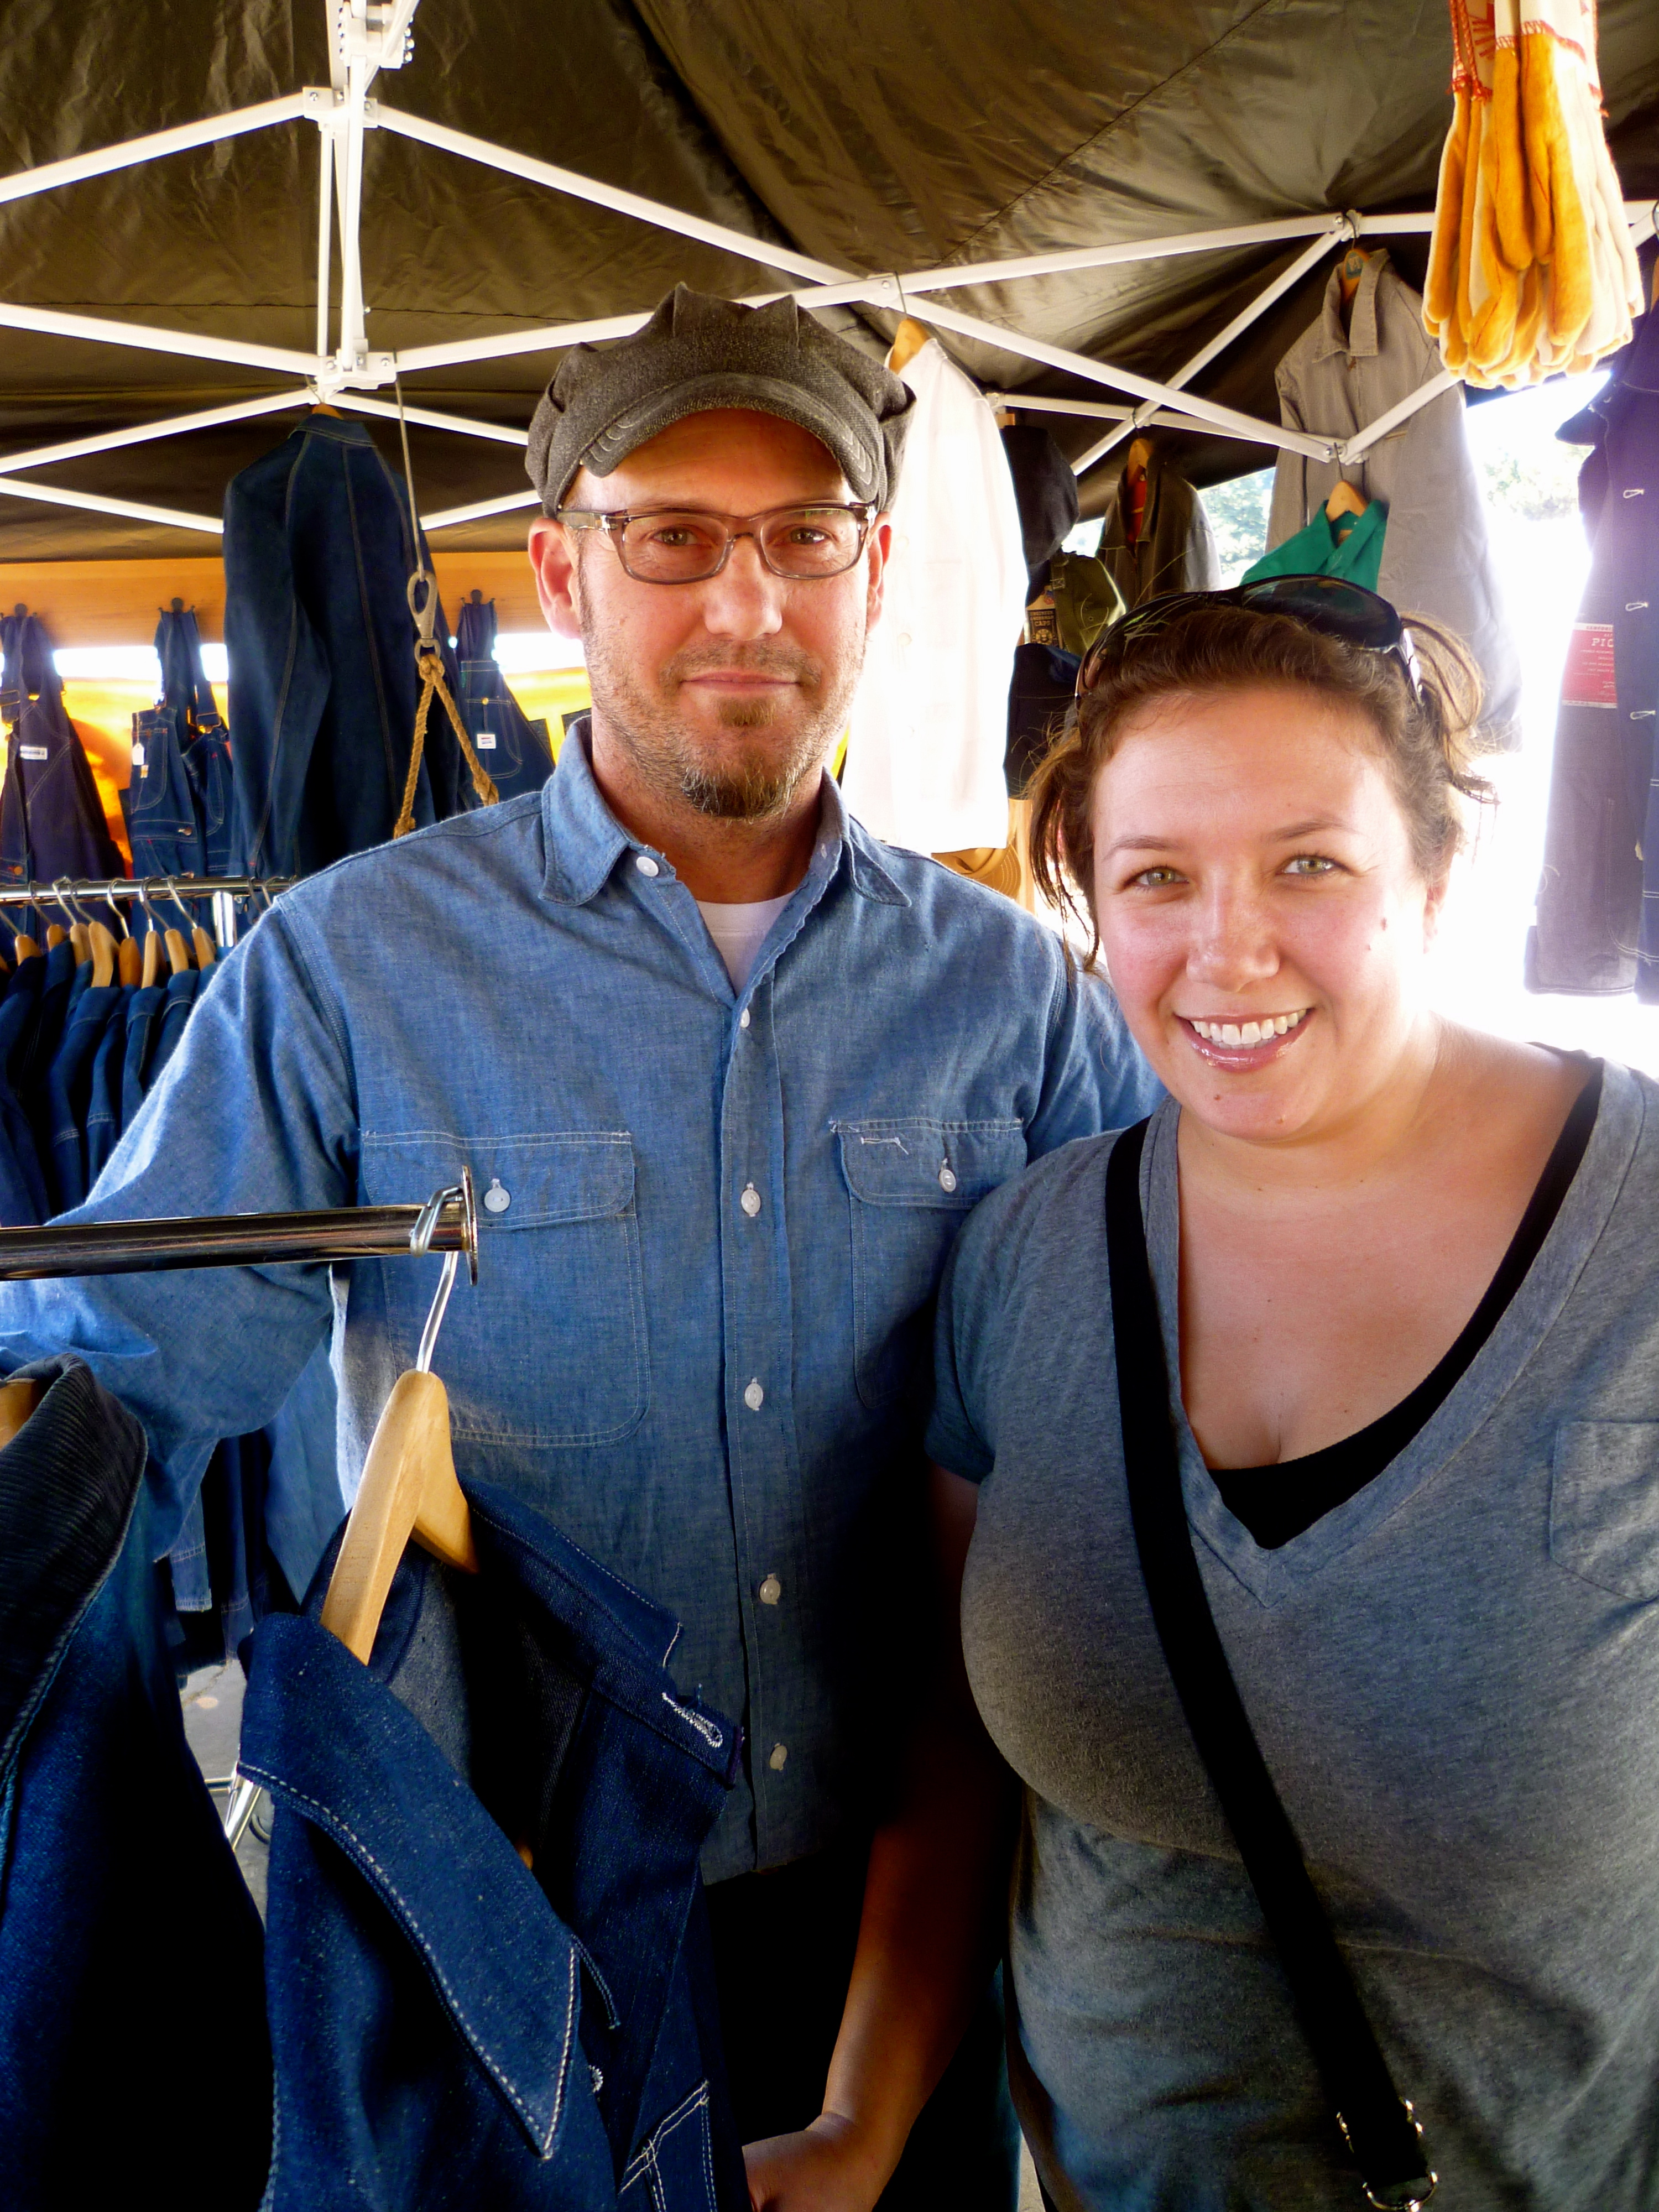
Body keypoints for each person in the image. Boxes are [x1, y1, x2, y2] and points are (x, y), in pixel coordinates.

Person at [0, 286, 1159, 2204]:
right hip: (494, 1946)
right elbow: (121, 1372)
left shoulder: (1016, 1002)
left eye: (804, 538)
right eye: (673, 537)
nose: (746, 602)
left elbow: (1146, 1407)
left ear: (877, 575)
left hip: (908, 1932)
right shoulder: (350, 970)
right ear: (560, 573)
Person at [748, 578, 1659, 2211]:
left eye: (1310, 864)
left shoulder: (1638, 1235)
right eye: (1156, 877)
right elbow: (960, 1745)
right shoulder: (1027, 1255)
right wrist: (858, 2123)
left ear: (1434, 874)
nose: (1227, 951)